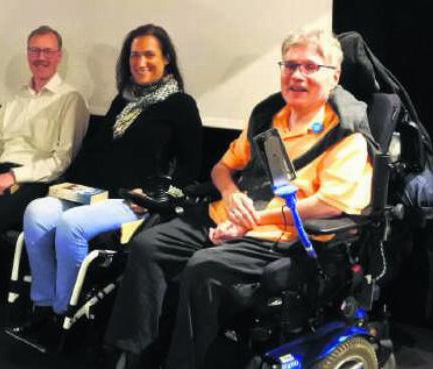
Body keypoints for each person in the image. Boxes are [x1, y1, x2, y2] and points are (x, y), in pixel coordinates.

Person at [106, 28, 374, 369]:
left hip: (283, 234)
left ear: (333, 76)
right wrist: (231, 194)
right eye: (290, 66)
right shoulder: (268, 119)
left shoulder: (346, 136)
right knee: (147, 245)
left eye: (310, 67)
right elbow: (222, 168)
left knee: (202, 270)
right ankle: (135, 354)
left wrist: (250, 221)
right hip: (230, 214)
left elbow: (329, 205)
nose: (297, 75)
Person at [13, 24, 203, 345]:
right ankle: (42, 304)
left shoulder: (181, 105)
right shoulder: (122, 100)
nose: (140, 62)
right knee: (37, 211)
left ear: (167, 59)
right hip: (97, 193)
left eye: (149, 54)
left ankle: (65, 314)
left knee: (71, 225)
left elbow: (191, 167)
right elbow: (97, 150)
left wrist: (158, 193)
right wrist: (67, 186)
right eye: (134, 55)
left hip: (137, 202)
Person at [0, 25, 90, 299]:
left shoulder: (71, 100)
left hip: (36, 181)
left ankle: (4, 290)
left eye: (47, 51)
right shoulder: (16, 97)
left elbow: (61, 161)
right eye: (35, 50)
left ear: (59, 56)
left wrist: (12, 177)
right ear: (27, 54)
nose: (40, 57)